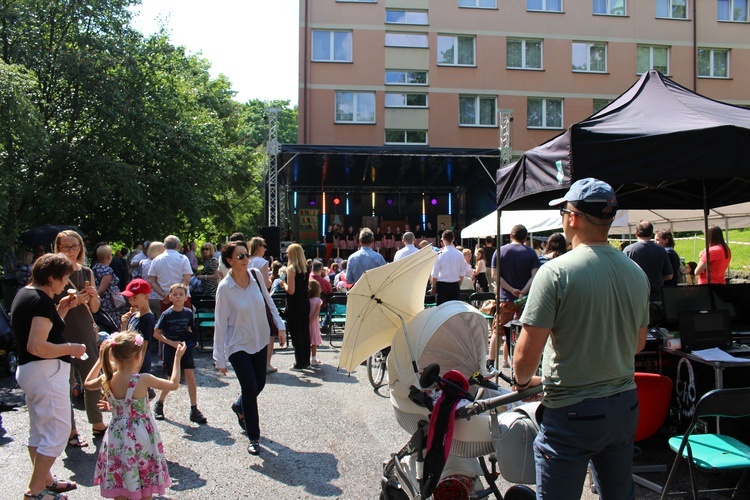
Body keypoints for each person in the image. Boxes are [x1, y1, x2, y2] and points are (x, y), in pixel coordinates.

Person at [513, 178, 649, 500]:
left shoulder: (555, 272)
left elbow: (524, 356)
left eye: (563, 210)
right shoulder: (636, 272)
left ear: (572, 217)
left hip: (572, 410)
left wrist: (522, 382)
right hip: (623, 406)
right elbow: (638, 344)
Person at [12, 253, 86, 499]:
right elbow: (37, 345)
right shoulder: (40, 302)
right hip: (45, 371)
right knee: (57, 433)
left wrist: (62, 309)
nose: (65, 284)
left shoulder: (27, 294)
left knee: (40, 431)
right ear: (51, 277)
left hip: (32, 371)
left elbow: (43, 332)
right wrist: (70, 349)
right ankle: (34, 491)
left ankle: (45, 482)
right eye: (63, 278)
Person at [85, 330, 185, 499]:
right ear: (137, 357)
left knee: (121, 476)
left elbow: (88, 384)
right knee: (145, 481)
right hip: (142, 436)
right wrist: (177, 358)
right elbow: (174, 384)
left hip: (117, 436)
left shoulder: (108, 378)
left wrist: (101, 360)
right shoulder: (143, 379)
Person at [214, 241, 286, 455]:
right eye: (240, 256)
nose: (245, 259)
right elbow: (220, 323)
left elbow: (269, 302)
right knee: (249, 387)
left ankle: (239, 406)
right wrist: (219, 357)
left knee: (259, 384)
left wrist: (280, 326)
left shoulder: (255, 276)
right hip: (238, 344)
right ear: (229, 260)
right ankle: (254, 438)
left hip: (260, 339)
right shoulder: (225, 288)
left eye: (246, 255)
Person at [53, 230, 107, 448]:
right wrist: (69, 302)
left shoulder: (86, 272)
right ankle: (70, 431)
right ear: (57, 249)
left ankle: (97, 422)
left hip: (84, 330)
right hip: (61, 332)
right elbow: (48, 307)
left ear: (81, 248)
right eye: (65, 247)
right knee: (64, 383)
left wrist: (92, 297)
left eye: (74, 246)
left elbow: (95, 309)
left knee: (92, 379)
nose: (70, 251)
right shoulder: (52, 273)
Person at [152, 283, 206, 424]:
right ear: (170, 297)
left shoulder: (188, 312)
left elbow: (190, 329)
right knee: (171, 380)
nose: (178, 297)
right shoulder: (166, 314)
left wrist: (193, 341)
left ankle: (194, 409)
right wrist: (171, 343)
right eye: (175, 295)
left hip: (185, 349)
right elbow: (156, 334)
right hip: (171, 349)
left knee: (191, 378)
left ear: (185, 297)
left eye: (181, 294)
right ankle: (160, 403)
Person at [490, 224, 539, 369]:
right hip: (525, 300)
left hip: (505, 298)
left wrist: (511, 289)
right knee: (524, 332)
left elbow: (495, 276)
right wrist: (523, 291)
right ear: (525, 238)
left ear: (511, 235)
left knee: (497, 332)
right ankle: (523, 364)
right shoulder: (531, 253)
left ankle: (491, 363)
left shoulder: (499, 251)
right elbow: (535, 276)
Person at [624, 221, 672, 325]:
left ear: (636, 233)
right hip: (656, 299)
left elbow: (622, 277)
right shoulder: (661, 250)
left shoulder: (628, 250)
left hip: (635, 300)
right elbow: (669, 275)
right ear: (651, 234)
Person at [119, 279, 156, 390]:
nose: (131, 301)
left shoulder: (147, 319)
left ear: (146, 297)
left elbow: (144, 347)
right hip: (128, 358)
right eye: (129, 298)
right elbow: (124, 337)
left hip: (139, 362)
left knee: (137, 393)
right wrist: (124, 323)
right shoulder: (134, 315)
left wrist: (136, 369)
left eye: (135, 298)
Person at [282, 243, 312, 371]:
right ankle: (306, 360)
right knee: (305, 331)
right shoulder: (306, 267)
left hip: (294, 304)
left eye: (288, 252)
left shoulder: (291, 269)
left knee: (296, 333)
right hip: (305, 302)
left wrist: (283, 284)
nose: (287, 254)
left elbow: (291, 291)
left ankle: (299, 362)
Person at [148, 235, 193, 314]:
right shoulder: (183, 259)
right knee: (184, 322)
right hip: (182, 297)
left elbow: (152, 282)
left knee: (166, 323)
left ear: (164, 246)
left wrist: (165, 295)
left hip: (164, 298)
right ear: (178, 246)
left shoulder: (156, 260)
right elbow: (187, 280)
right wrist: (176, 293)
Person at [429, 230, 466, 305]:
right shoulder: (460, 255)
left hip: (442, 287)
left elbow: (435, 274)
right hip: (455, 285)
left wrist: (433, 287)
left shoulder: (439, 254)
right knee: (453, 311)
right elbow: (462, 274)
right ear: (453, 239)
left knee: (442, 311)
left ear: (443, 239)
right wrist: (458, 286)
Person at [92, 244, 123, 319]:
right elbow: (102, 290)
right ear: (109, 257)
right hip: (108, 303)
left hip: (100, 301)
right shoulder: (107, 270)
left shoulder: (95, 267)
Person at [308, 280, 324, 366]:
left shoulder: (307, 300)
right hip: (314, 323)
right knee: (314, 342)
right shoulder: (318, 301)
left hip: (307, 322)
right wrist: (311, 320)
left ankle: (306, 358)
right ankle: (313, 359)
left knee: (308, 340)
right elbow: (316, 313)